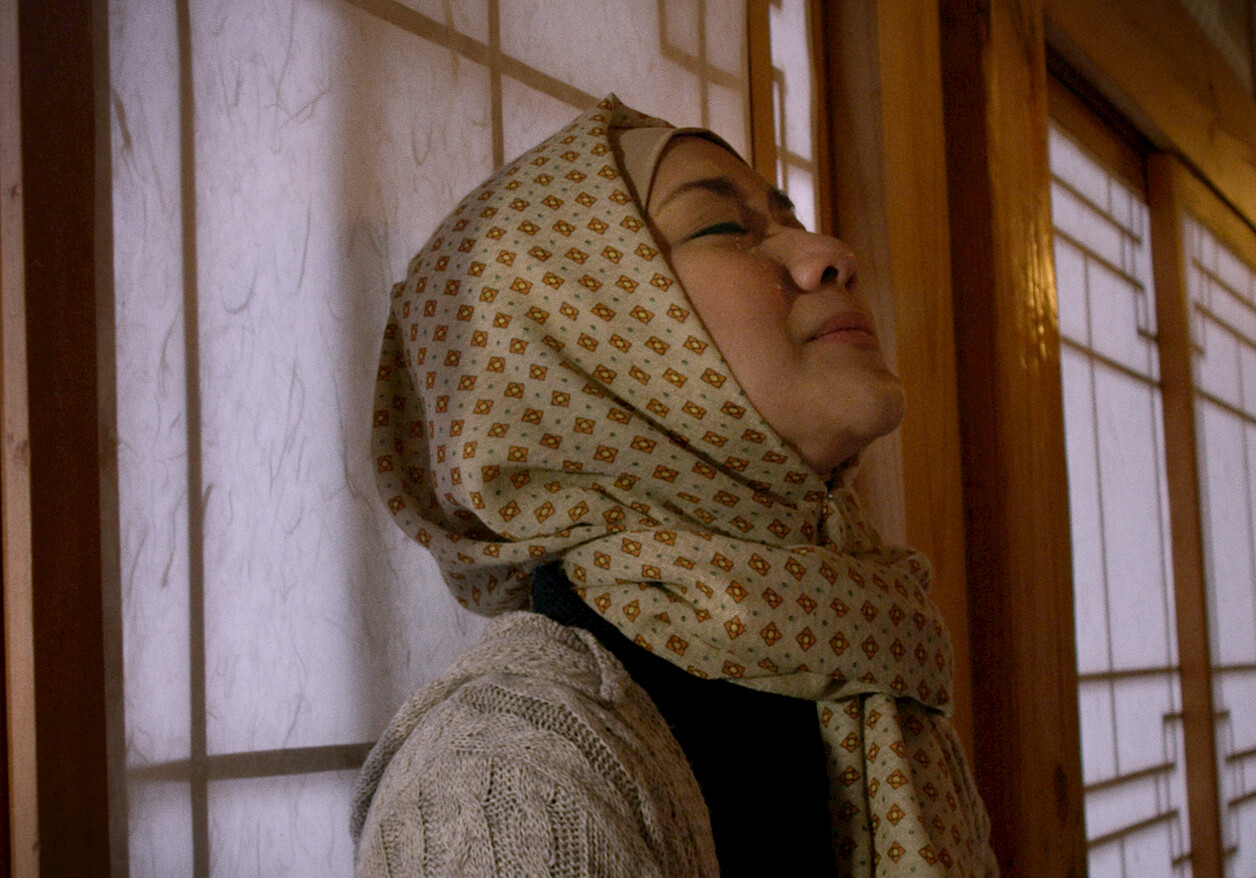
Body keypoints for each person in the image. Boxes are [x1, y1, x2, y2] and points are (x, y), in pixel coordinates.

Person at [351, 96, 994, 878]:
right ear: (578, 338)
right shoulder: (505, 778)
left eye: (791, 219)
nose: (830, 254)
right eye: (723, 226)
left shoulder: (860, 653)